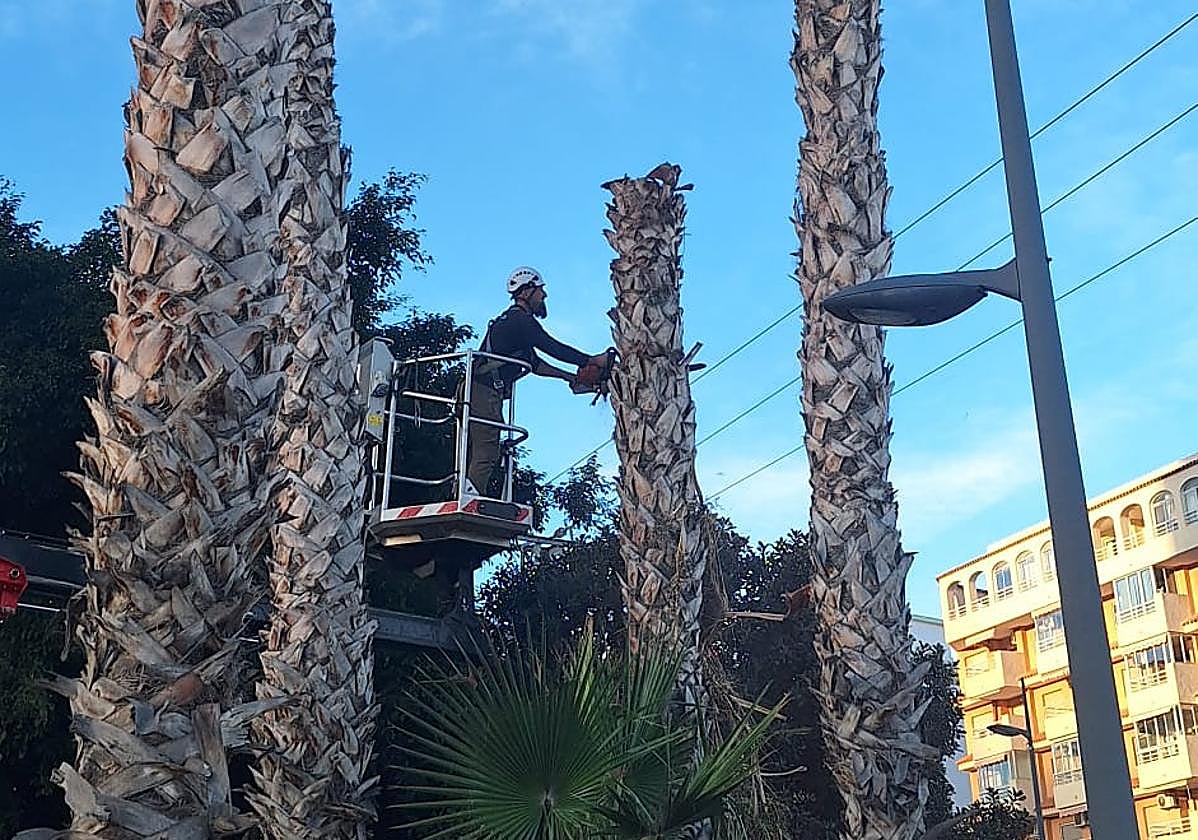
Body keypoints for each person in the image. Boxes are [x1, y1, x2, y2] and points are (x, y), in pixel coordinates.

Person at [464, 266, 612, 496]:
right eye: (540, 290)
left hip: (480, 390)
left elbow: (535, 363)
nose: (544, 296)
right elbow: (552, 347)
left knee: (483, 448)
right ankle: (469, 498)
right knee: (487, 449)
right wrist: (591, 360)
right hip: (483, 391)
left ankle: (469, 493)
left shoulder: (512, 324)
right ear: (525, 293)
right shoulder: (520, 321)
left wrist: (570, 378)